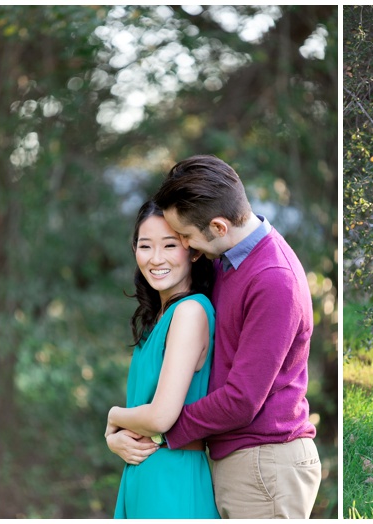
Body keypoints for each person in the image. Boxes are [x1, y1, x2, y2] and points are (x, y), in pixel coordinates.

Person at [145, 154, 322, 519]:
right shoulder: (227, 259)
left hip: (264, 465)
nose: (187, 248)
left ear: (219, 226)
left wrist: (156, 430)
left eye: (187, 237)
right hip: (242, 459)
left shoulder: (273, 279)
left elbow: (242, 400)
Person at [104, 200, 219, 518]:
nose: (155, 259)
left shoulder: (190, 312)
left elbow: (160, 418)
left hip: (172, 478)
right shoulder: (159, 317)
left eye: (170, 245)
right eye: (145, 246)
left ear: (193, 251)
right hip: (144, 474)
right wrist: (116, 440)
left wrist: (114, 418)